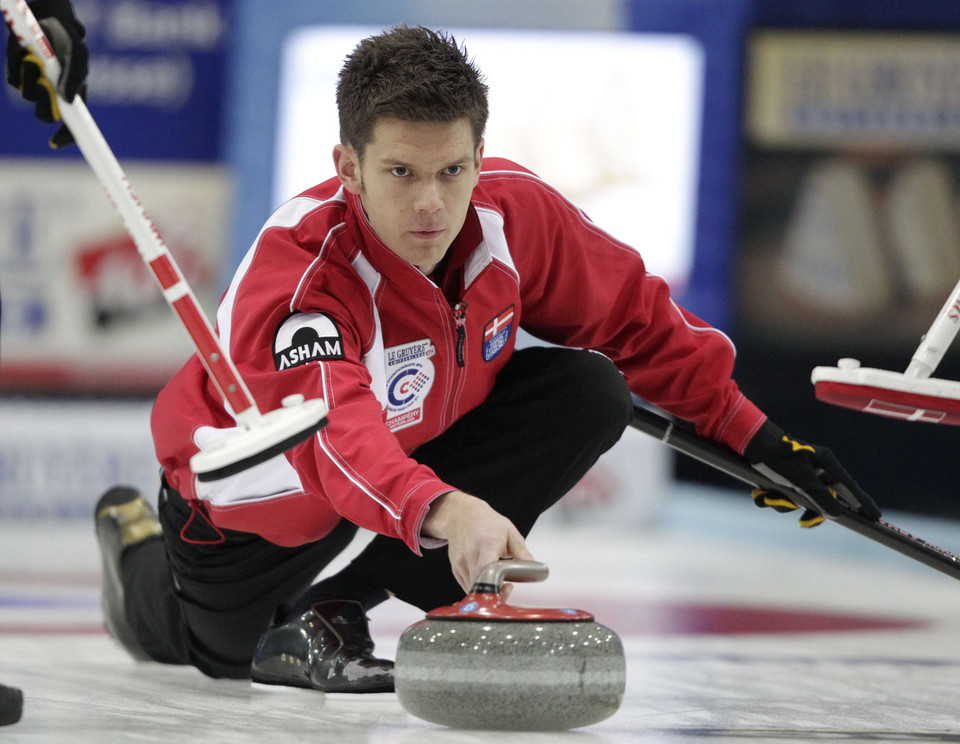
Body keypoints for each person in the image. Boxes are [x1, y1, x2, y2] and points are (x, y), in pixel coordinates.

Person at [8, 6, 880, 694]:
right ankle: (134, 553)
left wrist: (765, 444)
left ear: (478, 155)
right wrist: (452, 512)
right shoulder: (304, 280)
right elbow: (334, 445)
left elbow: (641, 322)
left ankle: (340, 608)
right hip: (258, 506)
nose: (432, 205)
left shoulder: (514, 215)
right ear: (347, 167)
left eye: (451, 171)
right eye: (400, 174)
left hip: (408, 455)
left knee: (589, 390)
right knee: (220, 653)